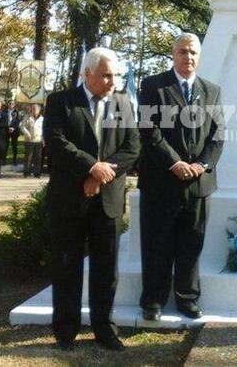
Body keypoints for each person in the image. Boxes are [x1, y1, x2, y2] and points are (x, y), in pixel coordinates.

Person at [43, 47, 140, 352]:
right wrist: (90, 167)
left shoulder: (123, 103)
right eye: (106, 75)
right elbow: (56, 143)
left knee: (106, 268)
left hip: (107, 200)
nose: (113, 81)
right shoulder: (61, 102)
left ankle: (104, 329)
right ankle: (66, 330)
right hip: (69, 198)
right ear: (87, 74)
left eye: (116, 75)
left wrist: (99, 175)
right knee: (67, 265)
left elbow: (133, 146)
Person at [137, 33, 224, 323]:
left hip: (198, 184)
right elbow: (149, 132)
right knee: (157, 243)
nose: (188, 57)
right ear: (173, 54)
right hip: (162, 181)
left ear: (199, 56)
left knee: (191, 244)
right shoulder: (153, 86)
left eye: (193, 52)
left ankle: (187, 299)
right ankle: (153, 301)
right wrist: (174, 163)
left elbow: (218, 135)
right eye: (183, 51)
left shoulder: (211, 91)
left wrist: (201, 165)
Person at [20, 103, 44, 177]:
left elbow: (44, 130)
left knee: (38, 157)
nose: (34, 110)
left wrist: (43, 140)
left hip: (38, 140)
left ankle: (37, 173)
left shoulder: (42, 119)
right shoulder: (27, 117)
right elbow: (22, 127)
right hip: (29, 140)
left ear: (39, 110)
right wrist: (28, 134)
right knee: (28, 157)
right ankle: (26, 172)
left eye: (35, 109)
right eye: (33, 108)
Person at [6, 100, 22, 166]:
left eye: (12, 104)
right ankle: (3, 159)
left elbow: (18, 121)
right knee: (5, 146)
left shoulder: (17, 112)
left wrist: (13, 128)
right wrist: (7, 128)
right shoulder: (4, 111)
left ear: (14, 105)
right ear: (8, 104)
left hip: (14, 131)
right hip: (6, 130)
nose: (11, 105)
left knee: (14, 146)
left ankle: (15, 160)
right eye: (10, 103)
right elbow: (3, 121)